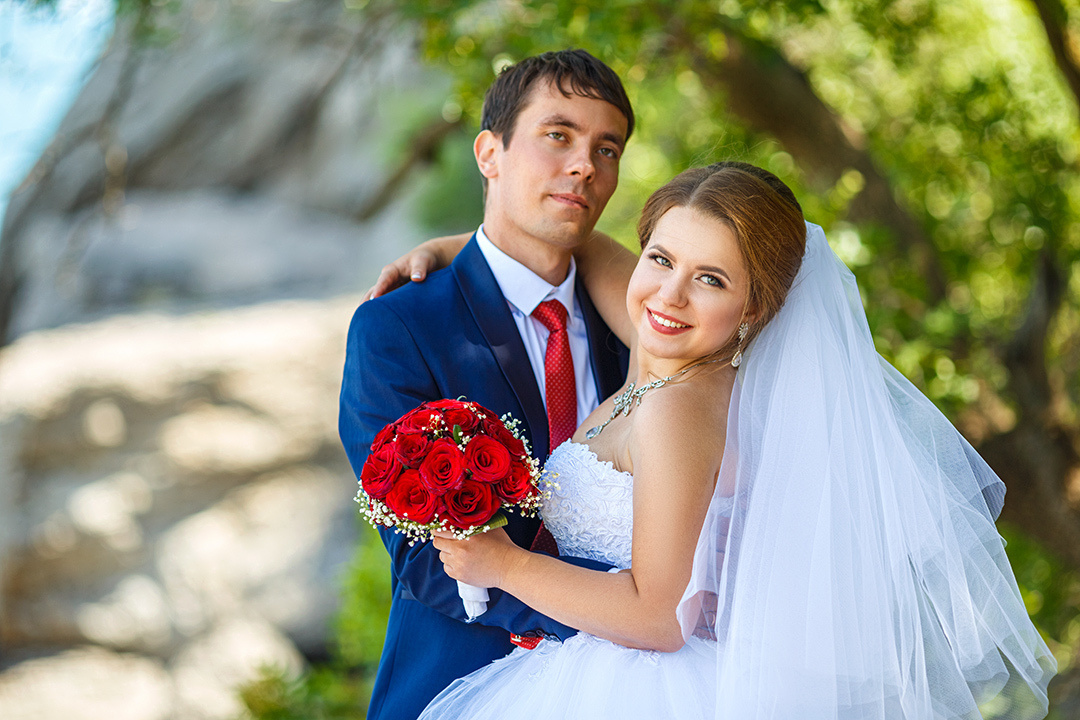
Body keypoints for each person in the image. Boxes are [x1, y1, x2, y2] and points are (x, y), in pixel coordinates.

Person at [386, 163, 1056, 719]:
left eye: (712, 279)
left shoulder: (679, 407)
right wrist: (462, 252)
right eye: (661, 258)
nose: (669, 294)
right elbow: (591, 250)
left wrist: (504, 566)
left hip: (644, 684)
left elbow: (658, 615)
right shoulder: (672, 361)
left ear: (754, 309)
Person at [338, 49, 636, 720]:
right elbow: (427, 563)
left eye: (607, 148)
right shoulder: (399, 327)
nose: (585, 164)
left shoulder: (644, 331)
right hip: (463, 690)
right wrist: (634, 610)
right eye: (558, 135)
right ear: (488, 152)